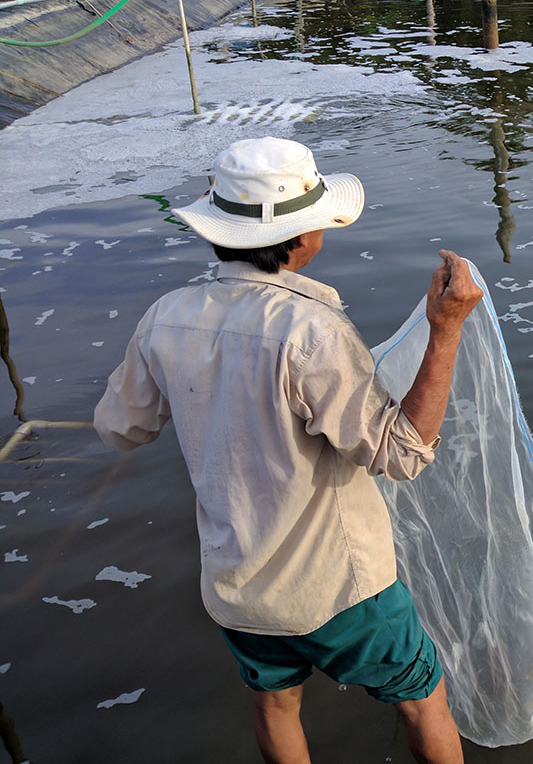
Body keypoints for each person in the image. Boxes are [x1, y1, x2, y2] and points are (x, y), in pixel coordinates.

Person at [93, 137, 483, 764]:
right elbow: (404, 453)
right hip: (340, 588)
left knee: (275, 705)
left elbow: (120, 429)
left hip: (238, 585)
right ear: (301, 240)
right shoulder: (311, 329)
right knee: (422, 698)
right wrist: (446, 329)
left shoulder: (165, 318)